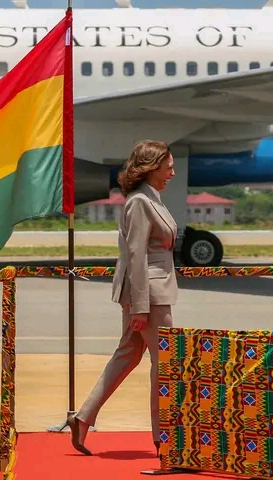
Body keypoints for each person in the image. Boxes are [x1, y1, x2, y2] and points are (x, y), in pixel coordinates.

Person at [67, 140, 178, 458]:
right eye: (168, 166)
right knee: (165, 363)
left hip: (148, 292)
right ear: (152, 167)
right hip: (149, 296)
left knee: (127, 355)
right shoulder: (141, 202)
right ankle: (164, 437)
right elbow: (136, 256)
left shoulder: (150, 198)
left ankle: (83, 417)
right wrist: (140, 307)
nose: (172, 172)